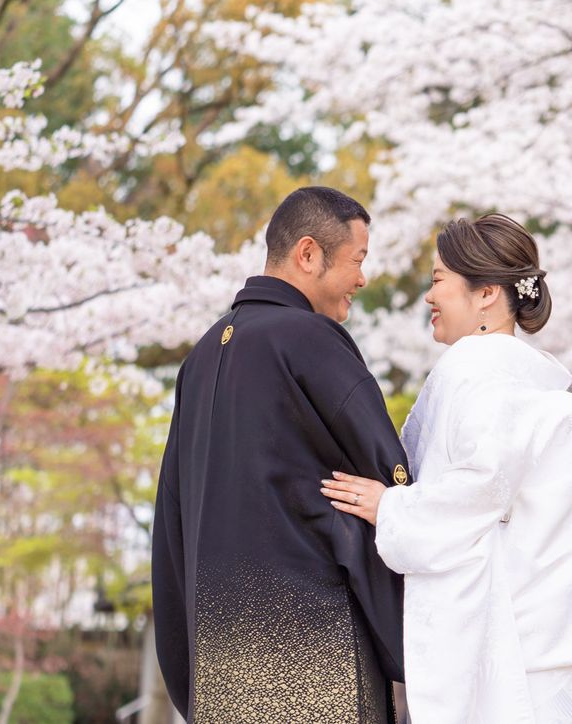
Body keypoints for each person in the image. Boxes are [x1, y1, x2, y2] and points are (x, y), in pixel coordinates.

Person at [321, 213, 572, 723]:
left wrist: (391, 506)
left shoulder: (476, 371)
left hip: (512, 650)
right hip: (560, 651)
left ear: (486, 293)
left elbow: (479, 488)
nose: (429, 296)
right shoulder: (536, 391)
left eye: (439, 279)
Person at [153, 187, 408, 723]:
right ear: (309, 254)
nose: (362, 279)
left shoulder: (200, 358)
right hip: (316, 653)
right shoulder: (308, 337)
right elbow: (392, 480)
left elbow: (172, 517)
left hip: (221, 659)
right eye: (357, 260)